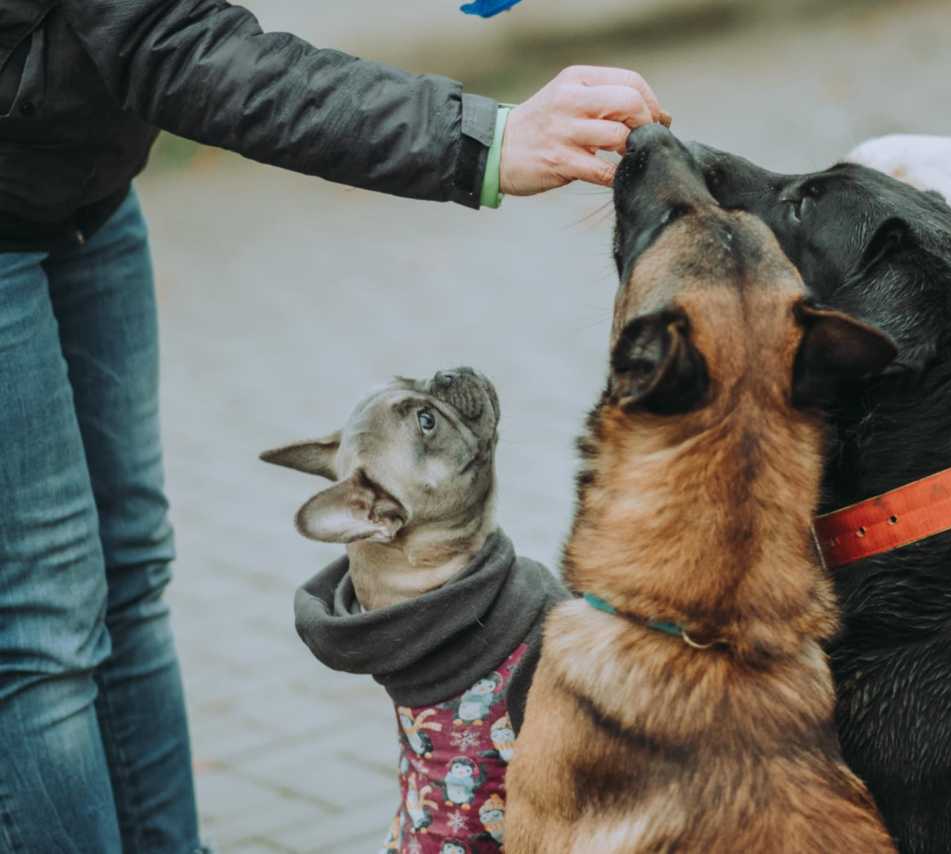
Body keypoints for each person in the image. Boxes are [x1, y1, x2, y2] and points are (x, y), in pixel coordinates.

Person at [0, 1, 669, 851]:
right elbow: (178, 44)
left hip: (79, 178)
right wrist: (483, 140)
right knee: (44, 620)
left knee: (130, 566)